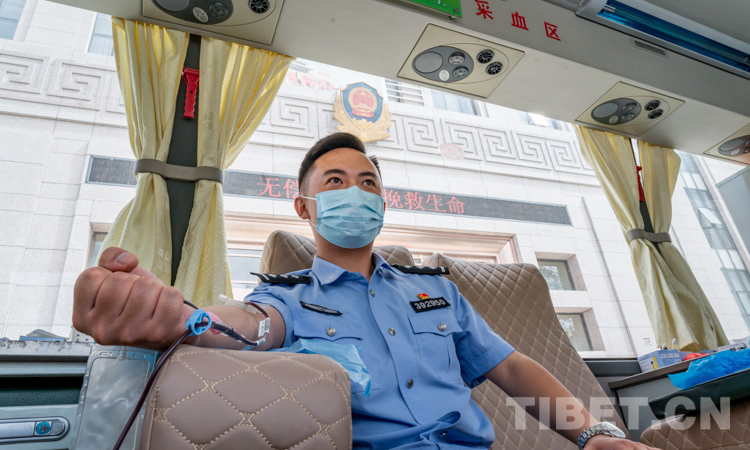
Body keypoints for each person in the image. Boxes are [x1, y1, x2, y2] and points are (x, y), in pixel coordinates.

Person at [73, 133, 659, 449]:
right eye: (335, 181)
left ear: (381, 202)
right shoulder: (288, 297)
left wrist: (596, 434)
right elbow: (248, 325)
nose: (355, 191)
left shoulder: (438, 292)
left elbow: (511, 368)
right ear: (305, 207)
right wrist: (182, 319)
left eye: (368, 182)